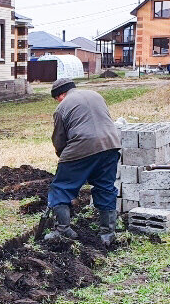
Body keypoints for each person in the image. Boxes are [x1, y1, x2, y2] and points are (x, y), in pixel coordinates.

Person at [44, 79, 121, 245]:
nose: (57, 101)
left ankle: (62, 231)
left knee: (60, 187)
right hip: (111, 145)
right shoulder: (96, 95)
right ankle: (107, 233)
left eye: (57, 98)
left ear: (61, 94)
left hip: (82, 146)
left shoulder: (62, 108)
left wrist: (63, 159)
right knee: (105, 187)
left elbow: (59, 139)